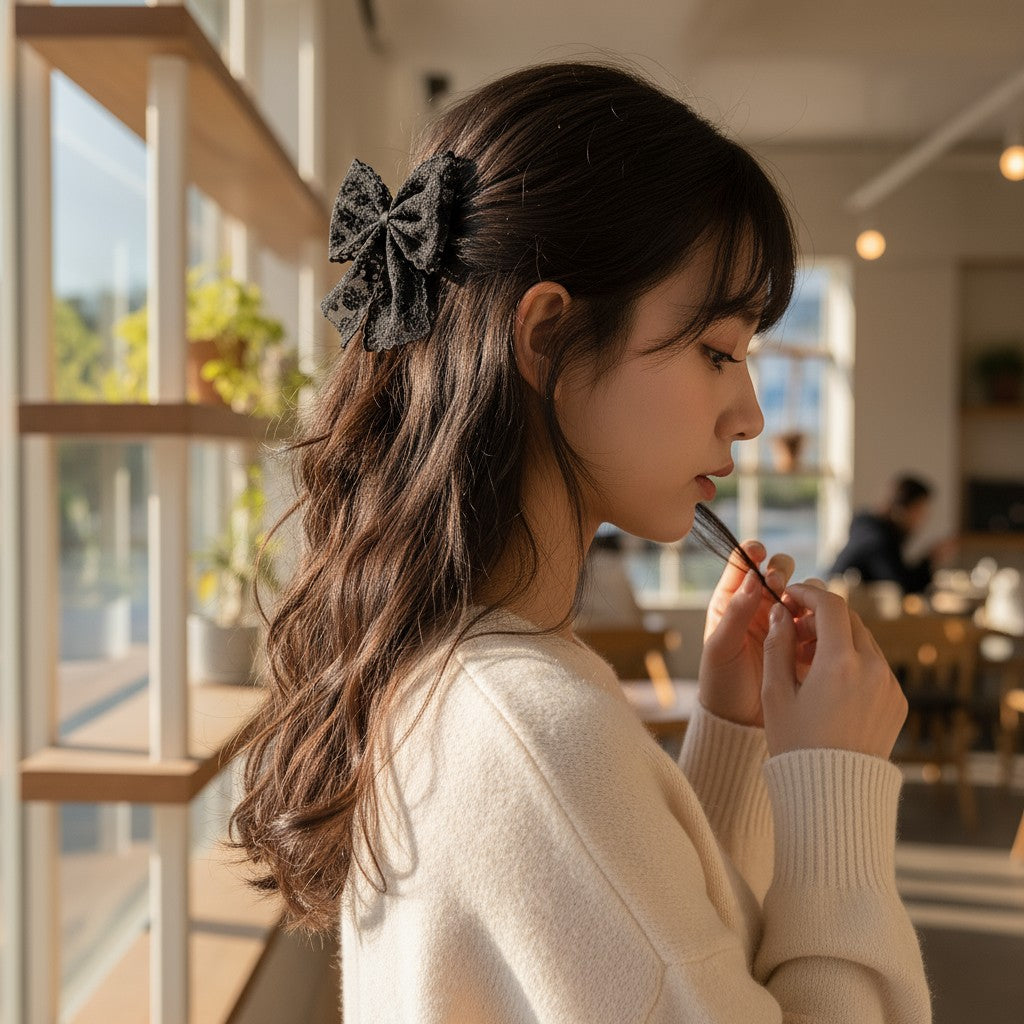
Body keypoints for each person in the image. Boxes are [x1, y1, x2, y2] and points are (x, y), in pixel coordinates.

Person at [230, 62, 931, 1022]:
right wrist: (837, 788)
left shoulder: (463, 673)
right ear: (551, 338)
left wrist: (735, 732)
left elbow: (665, 962)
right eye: (717, 352)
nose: (752, 415)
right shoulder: (537, 730)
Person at [829, 474, 957, 594]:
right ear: (904, 510)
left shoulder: (872, 530)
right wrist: (930, 559)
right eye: (920, 511)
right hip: (845, 608)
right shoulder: (877, 539)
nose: (923, 518)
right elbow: (901, 586)